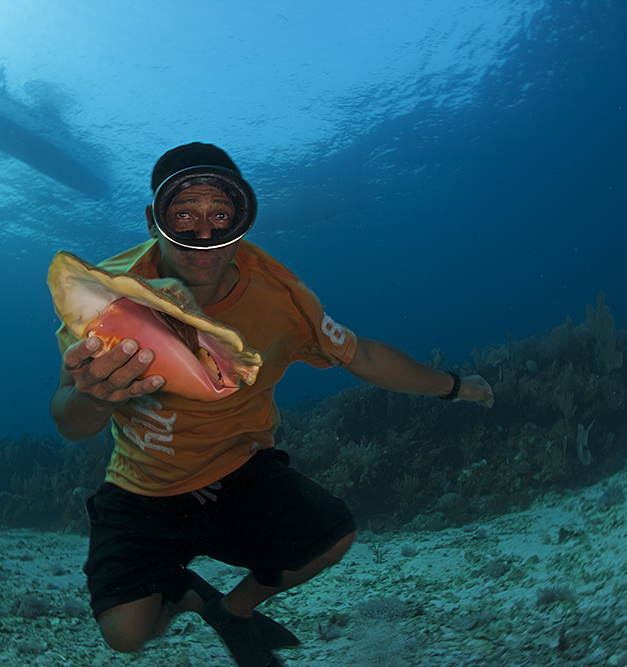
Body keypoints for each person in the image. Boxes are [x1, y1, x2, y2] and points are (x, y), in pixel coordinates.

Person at [50, 143, 494, 667]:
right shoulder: (104, 297)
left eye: (221, 215)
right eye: (183, 215)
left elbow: (364, 355)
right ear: (154, 220)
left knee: (333, 535)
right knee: (126, 636)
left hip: (239, 472)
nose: (204, 236)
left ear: (244, 219)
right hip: (140, 487)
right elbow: (70, 421)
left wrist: (453, 385)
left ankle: (231, 611)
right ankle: (187, 594)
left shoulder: (284, 300)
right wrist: (93, 397)